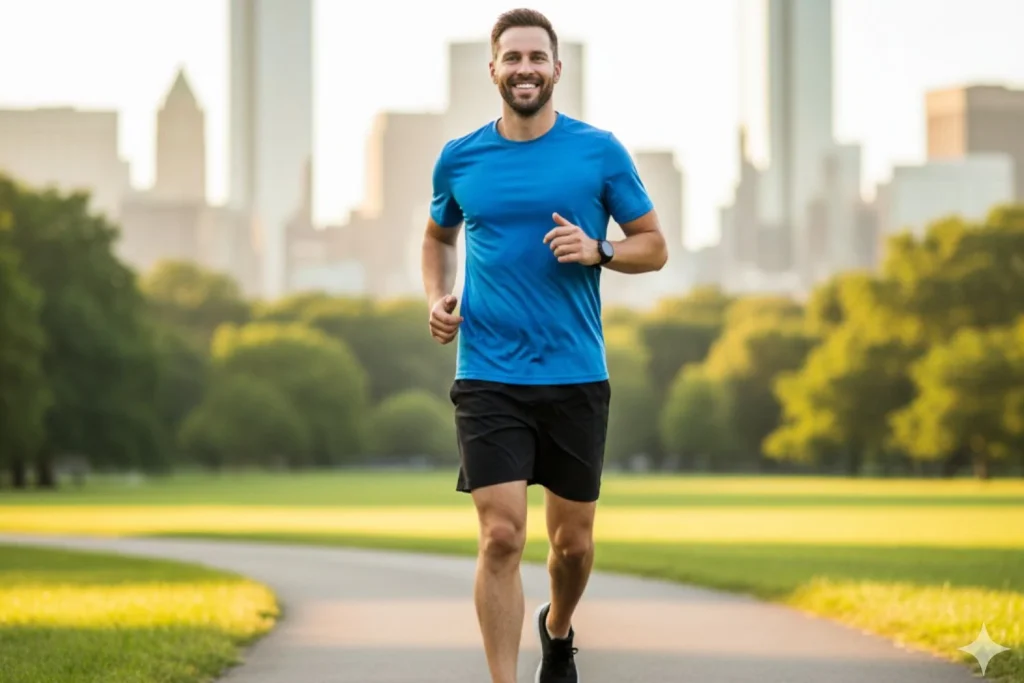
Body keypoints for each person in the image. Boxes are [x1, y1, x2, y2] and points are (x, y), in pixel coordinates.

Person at [420, 8, 668, 683]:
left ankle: (556, 630)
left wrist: (600, 248)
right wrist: (437, 298)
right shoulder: (460, 158)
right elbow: (438, 237)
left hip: (574, 373)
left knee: (572, 544)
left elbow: (655, 246)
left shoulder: (599, 151)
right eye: (513, 57)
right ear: (493, 69)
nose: (525, 69)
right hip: (489, 374)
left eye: (537, 58)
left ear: (557, 69)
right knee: (501, 536)